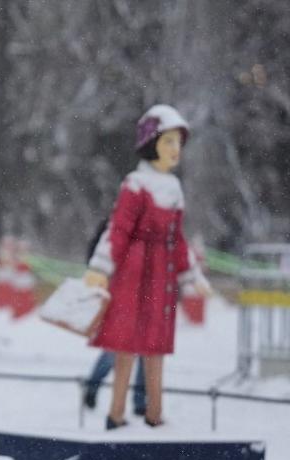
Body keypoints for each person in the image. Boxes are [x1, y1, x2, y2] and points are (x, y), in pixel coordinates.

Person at [84, 104, 210, 430]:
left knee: (155, 345)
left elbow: (177, 239)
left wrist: (191, 273)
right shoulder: (135, 184)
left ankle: (155, 412)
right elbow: (119, 229)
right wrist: (101, 267)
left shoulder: (174, 190)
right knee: (125, 345)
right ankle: (116, 413)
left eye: (178, 142)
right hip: (132, 275)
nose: (175, 149)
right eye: (168, 141)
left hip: (160, 278)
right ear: (151, 142)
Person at [82, 218, 146, 414]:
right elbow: (95, 259)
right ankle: (92, 386)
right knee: (114, 347)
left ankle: (140, 402)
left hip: (146, 296)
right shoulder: (113, 225)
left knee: (146, 349)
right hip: (119, 296)